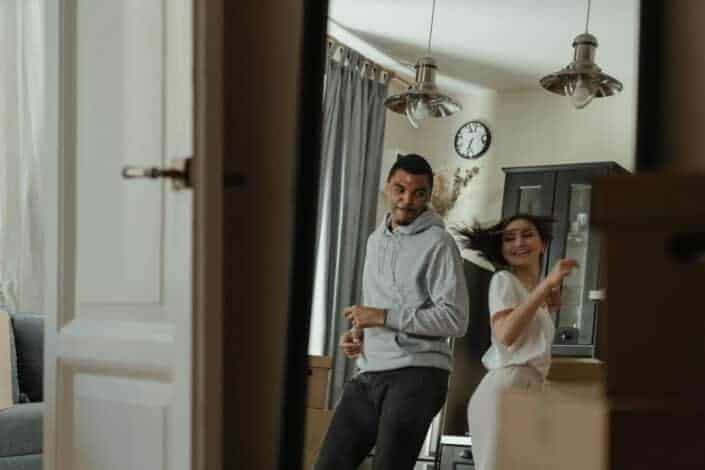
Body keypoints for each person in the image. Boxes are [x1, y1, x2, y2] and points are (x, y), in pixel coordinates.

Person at [314, 154, 470, 470]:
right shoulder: (375, 241)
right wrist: (359, 335)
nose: (407, 200)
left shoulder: (439, 243)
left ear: (429, 196)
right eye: (400, 189)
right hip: (370, 371)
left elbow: (456, 319)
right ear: (387, 186)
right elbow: (376, 303)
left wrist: (383, 317)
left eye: (419, 193)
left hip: (418, 374)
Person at [458, 214, 577, 470]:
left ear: (542, 244)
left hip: (527, 389)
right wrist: (547, 285)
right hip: (507, 388)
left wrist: (545, 298)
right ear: (502, 249)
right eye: (509, 238)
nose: (518, 243)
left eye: (527, 234)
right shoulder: (503, 281)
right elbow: (505, 335)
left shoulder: (529, 292)